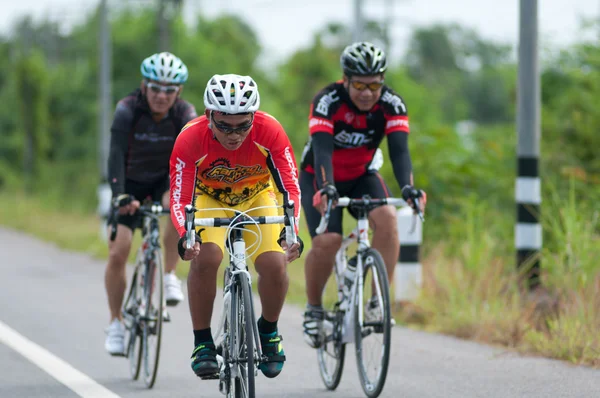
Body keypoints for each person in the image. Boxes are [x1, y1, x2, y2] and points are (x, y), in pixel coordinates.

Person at [170, 74, 303, 379]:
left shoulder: (270, 131)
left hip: (257, 197)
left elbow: (290, 185)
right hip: (209, 199)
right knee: (207, 257)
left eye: (243, 126)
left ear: (253, 117)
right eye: (224, 126)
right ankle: (202, 342)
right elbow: (180, 196)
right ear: (208, 116)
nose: (234, 135)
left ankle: (268, 331)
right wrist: (184, 236)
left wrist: (290, 228)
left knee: (274, 263)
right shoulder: (190, 138)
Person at [299, 41, 427, 348]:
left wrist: (408, 187)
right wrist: (326, 186)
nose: (368, 93)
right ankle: (314, 310)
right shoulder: (327, 101)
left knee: (388, 219)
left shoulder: (392, 104)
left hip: (360, 175)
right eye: (359, 85)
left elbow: (399, 152)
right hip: (319, 175)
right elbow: (322, 151)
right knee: (328, 241)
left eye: (375, 84)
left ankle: (375, 301)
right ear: (345, 79)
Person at [104, 52, 198, 355]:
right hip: (129, 181)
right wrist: (119, 194)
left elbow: (192, 158)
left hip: (163, 180)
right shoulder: (127, 110)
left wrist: (183, 192)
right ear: (144, 86)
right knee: (119, 251)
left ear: (178, 92)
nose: (161, 96)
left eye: (169, 90)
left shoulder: (185, 113)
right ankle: (116, 322)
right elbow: (116, 153)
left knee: (177, 207)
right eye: (155, 88)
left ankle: (169, 274)